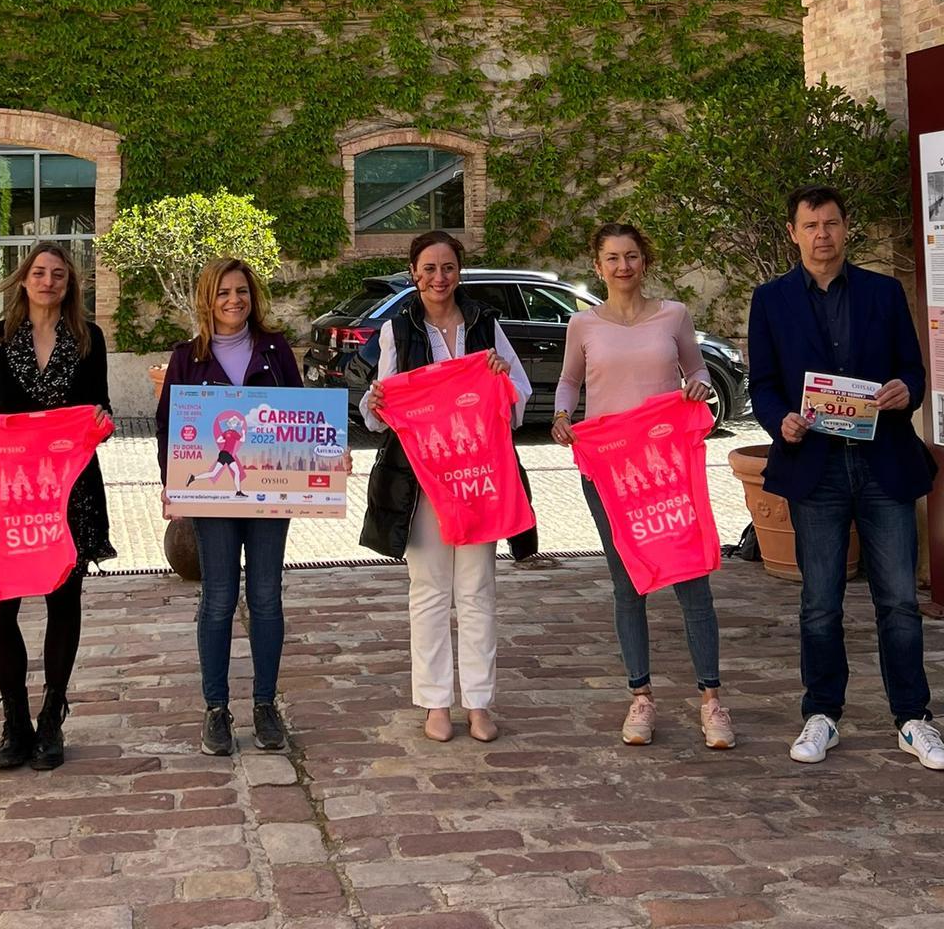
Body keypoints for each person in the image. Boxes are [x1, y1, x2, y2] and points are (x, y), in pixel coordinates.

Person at [748, 184, 942, 769]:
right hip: (816, 468)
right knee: (820, 603)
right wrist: (779, 419)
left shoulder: (882, 293)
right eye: (811, 226)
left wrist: (907, 390)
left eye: (831, 224)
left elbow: (913, 369)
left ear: (845, 228)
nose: (822, 235)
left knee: (900, 602)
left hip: (882, 463)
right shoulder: (771, 299)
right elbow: (762, 383)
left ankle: (913, 719)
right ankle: (822, 715)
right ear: (793, 233)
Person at [552, 222, 735, 751]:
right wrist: (563, 414)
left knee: (691, 579)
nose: (623, 267)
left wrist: (697, 386)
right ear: (598, 265)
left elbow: (695, 369)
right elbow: (569, 379)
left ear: (644, 261)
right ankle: (641, 695)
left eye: (631, 256)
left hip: (667, 468)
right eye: (612, 258)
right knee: (627, 583)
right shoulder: (582, 324)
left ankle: (711, 699)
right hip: (609, 469)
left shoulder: (674, 315)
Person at [359, 230, 530, 744]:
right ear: (414, 272)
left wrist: (499, 377)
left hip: (478, 479)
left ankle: (478, 702)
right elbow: (378, 415)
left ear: (460, 272)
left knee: (478, 589)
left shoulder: (485, 324)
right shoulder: (396, 329)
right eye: (429, 268)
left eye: (448, 267)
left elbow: (518, 398)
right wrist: (380, 399)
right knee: (430, 592)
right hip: (420, 482)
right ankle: (435, 701)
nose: (439, 277)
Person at [0, 242, 115, 771]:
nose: (49, 281)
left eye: (59, 275)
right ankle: (15, 720)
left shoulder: (89, 339)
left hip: (69, 490)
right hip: (11, 491)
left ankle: (51, 717)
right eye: (40, 273)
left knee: (62, 599)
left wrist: (100, 422)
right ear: (23, 280)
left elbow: (102, 407)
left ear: (69, 286)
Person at [156, 258, 302, 757]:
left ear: (252, 296)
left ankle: (265, 705)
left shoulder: (276, 349)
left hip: (272, 496)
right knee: (217, 598)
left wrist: (325, 456)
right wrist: (170, 485)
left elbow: (300, 416)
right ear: (208, 300)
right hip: (211, 503)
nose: (233, 300)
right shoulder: (186, 357)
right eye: (223, 293)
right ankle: (215, 708)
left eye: (241, 291)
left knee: (266, 597)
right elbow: (167, 425)